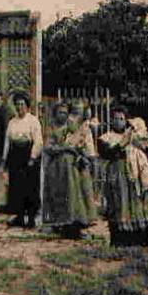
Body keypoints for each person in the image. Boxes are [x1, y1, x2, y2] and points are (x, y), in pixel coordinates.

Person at [98, 107, 148, 247]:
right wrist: (121, 145)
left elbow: (147, 147)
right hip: (117, 174)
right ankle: (121, 240)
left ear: (126, 121)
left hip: (134, 175)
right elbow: (107, 153)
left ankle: (140, 239)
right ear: (111, 120)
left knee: (137, 203)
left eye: (122, 119)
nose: (118, 121)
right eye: (115, 119)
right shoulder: (106, 137)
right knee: (119, 203)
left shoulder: (134, 135)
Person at [41, 101, 97, 238]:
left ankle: (76, 224)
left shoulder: (72, 127)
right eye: (60, 112)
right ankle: (60, 225)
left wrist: (81, 154)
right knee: (61, 195)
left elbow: (81, 143)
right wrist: (64, 148)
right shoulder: (51, 128)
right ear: (55, 113)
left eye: (65, 113)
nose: (63, 115)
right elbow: (48, 147)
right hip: (58, 168)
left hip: (73, 169)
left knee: (75, 195)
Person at [2, 91, 43, 228]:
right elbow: (7, 142)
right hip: (15, 157)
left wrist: (32, 157)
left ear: (27, 106)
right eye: (17, 104)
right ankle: (19, 217)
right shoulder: (12, 122)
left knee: (30, 188)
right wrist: (5, 158)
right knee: (16, 188)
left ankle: (30, 218)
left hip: (28, 156)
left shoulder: (33, 121)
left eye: (22, 104)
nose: (20, 107)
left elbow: (38, 141)